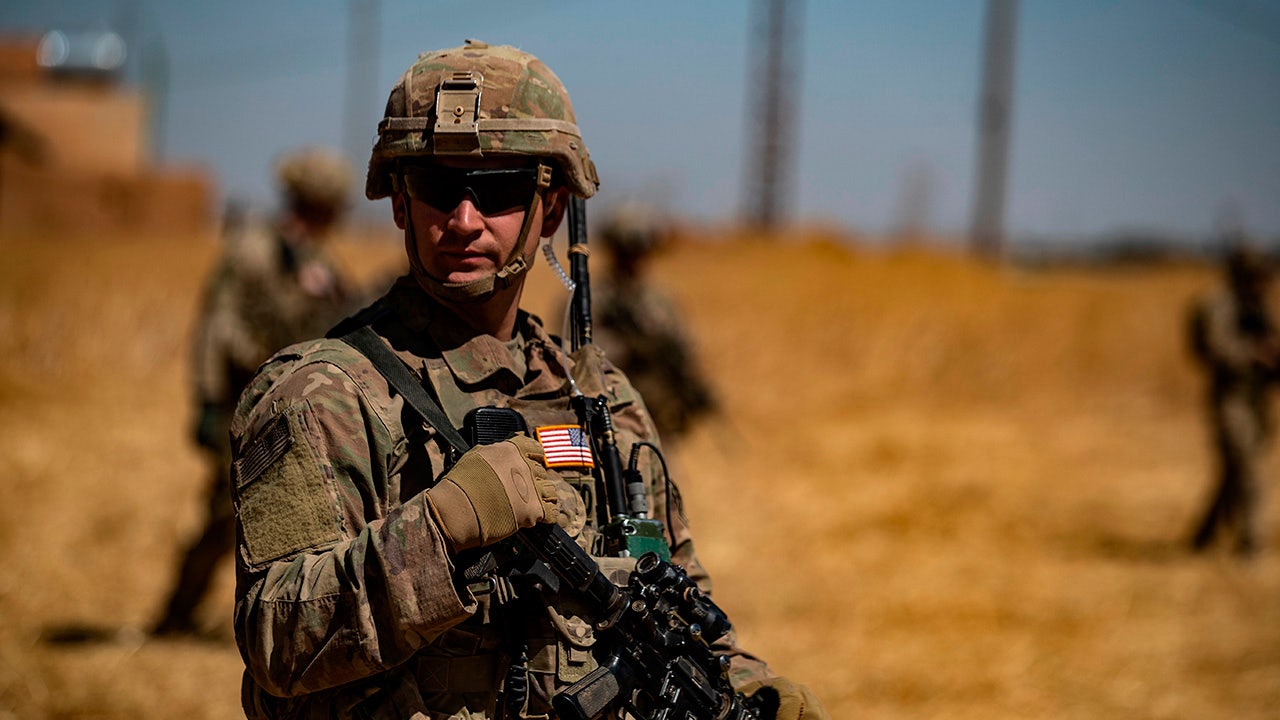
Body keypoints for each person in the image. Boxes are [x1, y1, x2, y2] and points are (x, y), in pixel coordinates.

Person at [228, 41, 827, 719]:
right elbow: (273, 643)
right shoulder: (322, 395)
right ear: (399, 201)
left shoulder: (603, 404)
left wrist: (747, 687)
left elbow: (677, 613)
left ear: (552, 207)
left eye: (500, 189)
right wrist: (439, 530)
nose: (462, 219)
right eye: (435, 186)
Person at [150, 147, 359, 637]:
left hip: (289, 405)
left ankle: (285, 622)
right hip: (239, 403)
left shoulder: (318, 261)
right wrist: (204, 403)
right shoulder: (252, 249)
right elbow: (215, 328)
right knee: (227, 514)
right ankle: (178, 613)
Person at [592, 200, 718, 442]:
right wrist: (632, 349)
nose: (633, 260)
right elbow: (582, 355)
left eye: (638, 250)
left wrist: (691, 388)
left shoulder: (660, 300)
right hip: (610, 420)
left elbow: (683, 348)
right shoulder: (595, 299)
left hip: (658, 419)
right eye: (627, 251)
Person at [1188, 242, 1279, 556]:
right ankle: (1251, 547)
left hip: (1256, 400)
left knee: (1234, 475)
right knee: (1248, 472)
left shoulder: (1256, 306)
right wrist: (1254, 354)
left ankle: (1202, 538)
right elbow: (1212, 349)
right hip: (1230, 397)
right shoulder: (1217, 304)